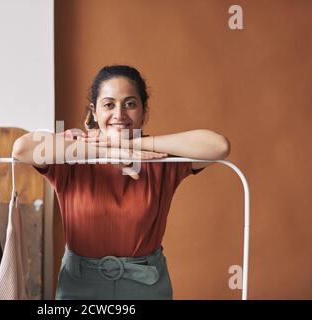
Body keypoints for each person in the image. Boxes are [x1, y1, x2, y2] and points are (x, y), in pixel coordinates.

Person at [13, 65, 231, 300]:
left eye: (130, 104)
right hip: (78, 286)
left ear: (144, 111)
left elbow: (219, 146)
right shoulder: (70, 153)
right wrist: (102, 149)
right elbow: (22, 148)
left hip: (147, 285)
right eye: (109, 104)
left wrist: (133, 145)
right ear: (94, 112)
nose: (119, 114)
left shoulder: (159, 160)